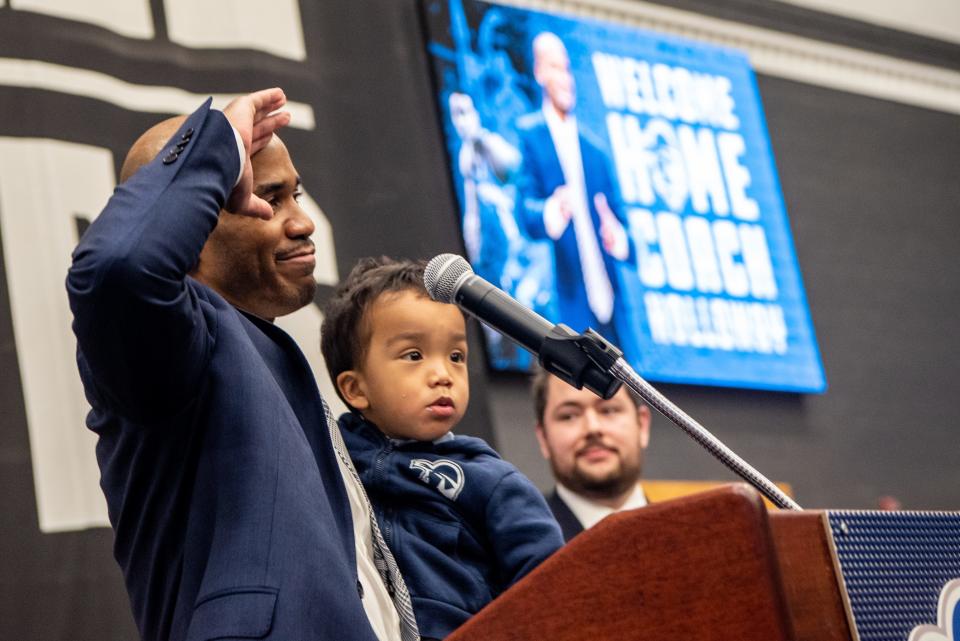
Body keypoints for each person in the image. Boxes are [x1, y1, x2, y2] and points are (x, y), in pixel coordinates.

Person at [67, 89, 418, 641]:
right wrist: (220, 144)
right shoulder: (176, 348)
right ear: (190, 223)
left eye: (295, 195)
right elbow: (118, 268)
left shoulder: (268, 357)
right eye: (269, 200)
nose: (303, 222)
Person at [321, 257, 564, 640]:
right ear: (355, 389)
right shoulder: (330, 457)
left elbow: (554, 583)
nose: (442, 375)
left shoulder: (490, 479)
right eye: (414, 355)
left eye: (456, 357)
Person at [515, 32, 634, 344]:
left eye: (567, 69)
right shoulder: (528, 135)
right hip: (564, 307)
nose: (566, 79)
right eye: (555, 68)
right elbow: (524, 209)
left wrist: (618, 237)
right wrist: (551, 211)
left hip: (611, 312)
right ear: (539, 73)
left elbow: (625, 230)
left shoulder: (595, 150)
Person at [532, 368, 652, 542]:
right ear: (543, 437)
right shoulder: (519, 546)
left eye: (609, 410)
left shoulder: (690, 534)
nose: (592, 428)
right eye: (569, 416)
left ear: (642, 425)